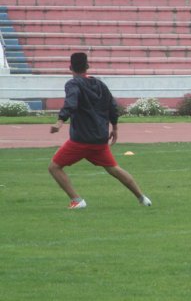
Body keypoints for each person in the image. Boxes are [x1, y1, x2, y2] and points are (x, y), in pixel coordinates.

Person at [49, 52, 152, 208]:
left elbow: (71, 103)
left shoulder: (73, 84)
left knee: (54, 167)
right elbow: (112, 107)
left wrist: (60, 121)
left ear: (70, 67)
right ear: (88, 66)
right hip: (99, 139)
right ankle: (142, 198)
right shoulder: (100, 85)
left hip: (81, 140)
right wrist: (115, 128)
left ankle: (77, 201)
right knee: (114, 169)